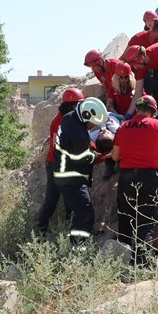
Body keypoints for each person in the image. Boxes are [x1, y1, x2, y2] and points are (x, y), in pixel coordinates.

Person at [111, 94, 158, 265]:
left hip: (126, 177)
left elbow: (115, 156)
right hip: (148, 177)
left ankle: (122, 261)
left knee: (125, 219)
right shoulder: (155, 124)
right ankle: (141, 264)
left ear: (137, 109)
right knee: (145, 221)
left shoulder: (123, 126)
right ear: (153, 111)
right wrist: (156, 143)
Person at [52, 96, 109, 246]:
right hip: (71, 177)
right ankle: (77, 248)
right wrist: (98, 155)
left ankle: (84, 236)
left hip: (64, 174)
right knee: (84, 212)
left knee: (74, 211)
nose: (93, 126)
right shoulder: (78, 130)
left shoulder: (69, 118)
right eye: (93, 123)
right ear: (86, 115)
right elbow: (81, 157)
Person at [35, 87, 84, 235]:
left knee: (69, 200)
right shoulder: (60, 121)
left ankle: (69, 230)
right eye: (77, 104)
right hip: (57, 164)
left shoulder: (68, 118)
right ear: (70, 105)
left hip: (63, 164)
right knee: (52, 199)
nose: (79, 108)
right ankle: (40, 232)